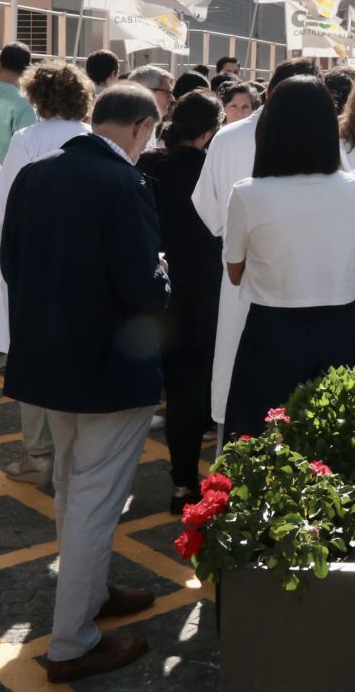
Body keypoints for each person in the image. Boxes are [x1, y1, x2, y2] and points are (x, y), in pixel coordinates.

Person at [1, 84, 169, 681]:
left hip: (49, 362)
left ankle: (91, 593)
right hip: (108, 371)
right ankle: (72, 641)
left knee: (73, 488)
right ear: (142, 126)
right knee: (93, 499)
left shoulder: (35, 174)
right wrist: (164, 276)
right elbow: (144, 288)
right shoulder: (124, 182)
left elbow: (11, 264)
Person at [220, 76, 355, 440]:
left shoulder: (248, 192)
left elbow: (235, 272)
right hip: (343, 327)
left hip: (273, 331)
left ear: (270, 128)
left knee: (264, 444)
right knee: (341, 446)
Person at [191, 59, 318, 432]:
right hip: (299, 276)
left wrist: (233, 237)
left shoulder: (228, 138)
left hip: (241, 268)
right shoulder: (323, 140)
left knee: (241, 382)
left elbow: (206, 206)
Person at [0, 61, 96, 485]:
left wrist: (2, 261)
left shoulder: (28, 139)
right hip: (85, 265)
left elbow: (2, 207)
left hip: (35, 264)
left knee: (31, 357)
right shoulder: (94, 137)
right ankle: (77, 454)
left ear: (36, 98)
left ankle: (39, 456)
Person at [136, 89, 225, 516]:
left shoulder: (147, 165)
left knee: (165, 387)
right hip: (206, 292)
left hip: (155, 287)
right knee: (192, 391)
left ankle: (176, 480)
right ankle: (188, 482)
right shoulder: (214, 169)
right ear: (209, 133)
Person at [126, 66, 177, 147]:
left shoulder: (150, 124)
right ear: (146, 91)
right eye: (167, 92)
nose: (172, 98)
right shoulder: (127, 128)